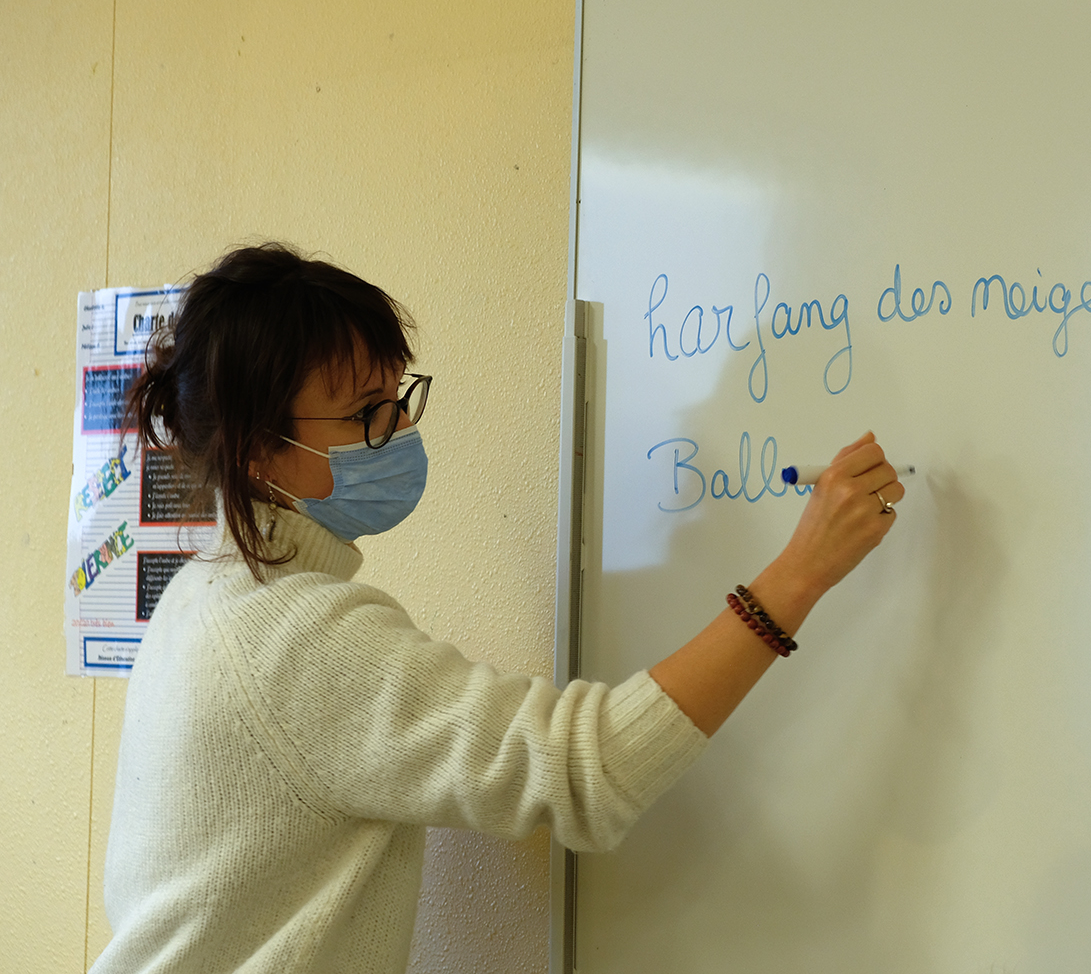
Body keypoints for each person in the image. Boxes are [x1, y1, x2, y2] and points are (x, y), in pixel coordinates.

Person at [92, 243, 905, 973]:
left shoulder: (202, 597)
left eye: (398, 396)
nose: (401, 428)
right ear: (260, 449)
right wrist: (801, 573)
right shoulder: (291, 634)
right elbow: (588, 773)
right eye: (366, 413)